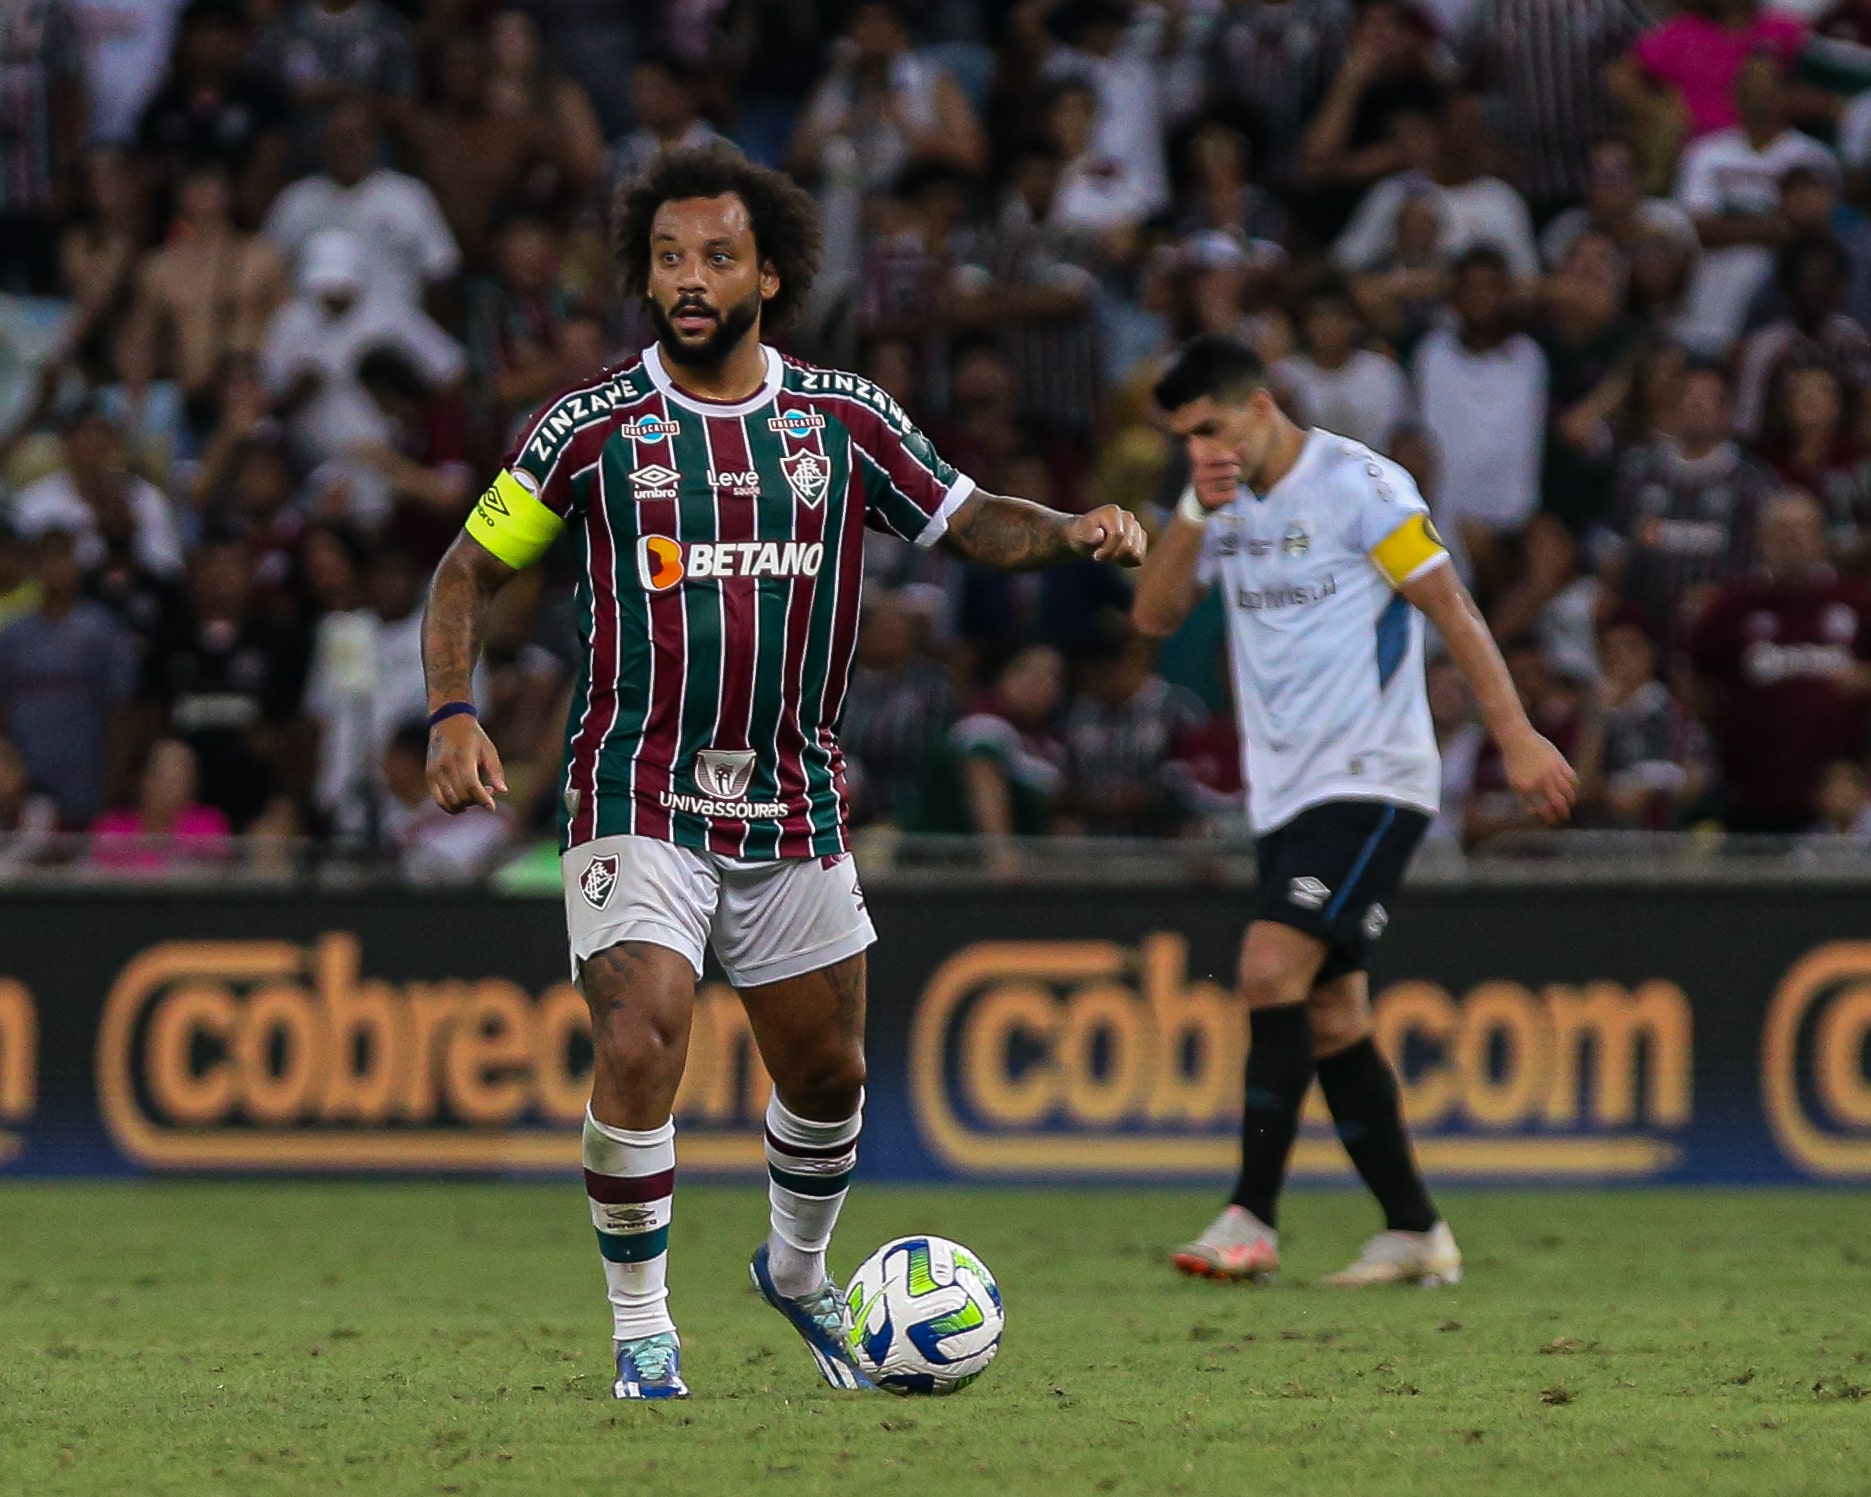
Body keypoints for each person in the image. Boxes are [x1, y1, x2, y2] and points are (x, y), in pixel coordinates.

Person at [419, 145, 1146, 1400]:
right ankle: (642, 1323)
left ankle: (798, 1275)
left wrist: (1072, 530)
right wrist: (449, 712)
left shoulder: (841, 419)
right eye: (666, 260)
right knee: (644, 1029)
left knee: (828, 1074)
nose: (688, 281)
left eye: (714, 258)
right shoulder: (590, 430)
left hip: (792, 795)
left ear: (769, 272)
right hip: (633, 783)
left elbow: (968, 516)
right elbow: (463, 573)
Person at [1129, 332, 1575, 1289]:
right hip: (1284, 792)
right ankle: (1414, 1228)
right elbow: (1154, 616)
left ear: (1258, 406)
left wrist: (1516, 735)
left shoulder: (1359, 484)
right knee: (1330, 1012)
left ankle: (1250, 1214)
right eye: (1182, 436)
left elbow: (1450, 605)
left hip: (1373, 776)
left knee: (1266, 963)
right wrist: (1193, 516)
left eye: (1208, 426)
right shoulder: (1214, 494)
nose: (1197, 446)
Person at [1691, 489, 1871, 833]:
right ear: (1761, 540)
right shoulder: (1730, 607)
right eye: (1781, 531)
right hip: (1751, 796)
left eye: (1802, 530)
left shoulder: (1858, 602)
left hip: (1841, 803)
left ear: (1821, 537)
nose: (1792, 541)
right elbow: (1695, 681)